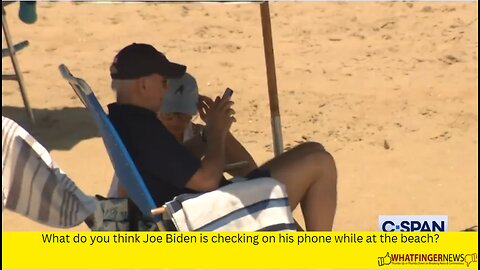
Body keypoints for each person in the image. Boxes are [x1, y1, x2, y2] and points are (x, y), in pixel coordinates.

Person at [108, 43, 337, 231]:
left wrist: (211, 133)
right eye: (164, 82)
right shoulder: (143, 128)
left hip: (195, 209)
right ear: (144, 84)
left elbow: (166, 168)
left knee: (313, 149)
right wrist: (217, 132)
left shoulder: (129, 121)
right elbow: (206, 180)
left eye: (184, 116)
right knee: (320, 163)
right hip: (199, 219)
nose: (166, 90)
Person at [108, 72, 257, 197]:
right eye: (169, 115)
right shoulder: (145, 139)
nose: (177, 121)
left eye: (184, 116)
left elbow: (251, 172)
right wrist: (215, 133)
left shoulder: (197, 134)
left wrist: (217, 130)